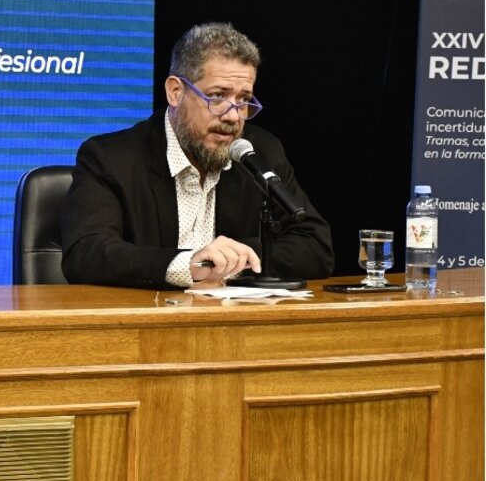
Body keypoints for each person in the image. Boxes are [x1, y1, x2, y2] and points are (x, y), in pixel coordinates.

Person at [60, 22, 333, 288]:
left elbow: (316, 246)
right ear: (175, 92)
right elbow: (86, 252)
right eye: (217, 96)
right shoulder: (111, 158)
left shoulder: (260, 152)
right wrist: (186, 265)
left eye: (243, 100)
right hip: (146, 323)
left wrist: (235, 257)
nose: (233, 115)